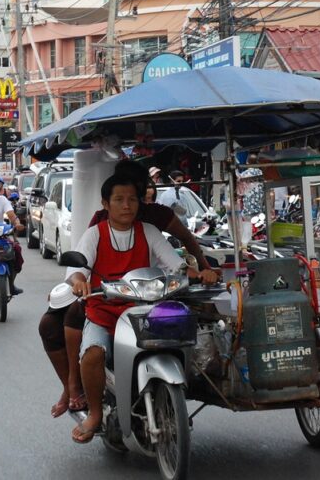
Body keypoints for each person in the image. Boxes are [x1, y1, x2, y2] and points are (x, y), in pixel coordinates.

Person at [66, 174, 217, 443]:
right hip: (104, 312)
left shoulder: (148, 231)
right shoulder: (95, 234)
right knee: (92, 354)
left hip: (143, 310)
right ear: (105, 204)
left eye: (132, 200)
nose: (127, 205)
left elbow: (175, 265)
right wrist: (79, 281)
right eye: (119, 200)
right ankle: (95, 414)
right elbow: (77, 270)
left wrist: (199, 273)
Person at [38, 283, 86, 417]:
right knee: (48, 324)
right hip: (86, 294)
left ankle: (73, 386)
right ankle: (70, 386)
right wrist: (77, 283)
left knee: (75, 311)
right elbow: (76, 276)